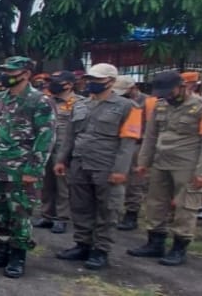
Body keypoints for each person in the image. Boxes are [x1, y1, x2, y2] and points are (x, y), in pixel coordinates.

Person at [0, 56, 54, 279]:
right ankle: (1, 250)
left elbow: (45, 138)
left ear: (25, 73)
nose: (5, 76)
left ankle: (17, 257)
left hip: (20, 171)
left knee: (20, 214)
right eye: (4, 71)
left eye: (10, 72)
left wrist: (33, 170)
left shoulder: (39, 101)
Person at [54, 63, 141, 270]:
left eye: (98, 80)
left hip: (107, 165)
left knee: (108, 209)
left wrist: (120, 170)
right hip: (80, 163)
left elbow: (128, 142)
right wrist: (61, 159)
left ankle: (101, 250)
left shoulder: (128, 107)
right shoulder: (80, 104)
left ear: (111, 81)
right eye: (90, 79)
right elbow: (70, 136)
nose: (92, 83)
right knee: (81, 206)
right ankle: (82, 244)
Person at [127, 71, 202, 266]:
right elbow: (150, 136)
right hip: (160, 161)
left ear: (182, 86)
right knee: (155, 203)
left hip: (188, 164)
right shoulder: (160, 105)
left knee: (185, 206)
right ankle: (155, 243)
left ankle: (179, 247)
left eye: (169, 91)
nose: (167, 95)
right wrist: (143, 162)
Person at [34, 70, 80, 235]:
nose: (50, 84)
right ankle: (47, 215)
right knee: (45, 184)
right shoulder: (46, 101)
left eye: (56, 81)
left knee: (63, 186)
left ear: (69, 84)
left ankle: (62, 218)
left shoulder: (79, 103)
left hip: (64, 150)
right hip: (46, 148)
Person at [116, 75, 157, 231]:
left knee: (135, 182)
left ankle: (131, 214)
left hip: (138, 145)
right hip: (121, 142)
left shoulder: (149, 102)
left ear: (133, 88)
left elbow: (152, 128)